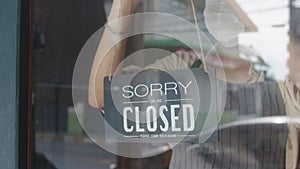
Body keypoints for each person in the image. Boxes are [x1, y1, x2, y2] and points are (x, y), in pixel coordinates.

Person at [88, 0, 300, 168]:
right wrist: (124, 6)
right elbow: (104, 97)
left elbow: (282, 53)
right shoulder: (187, 66)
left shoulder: (284, 77)